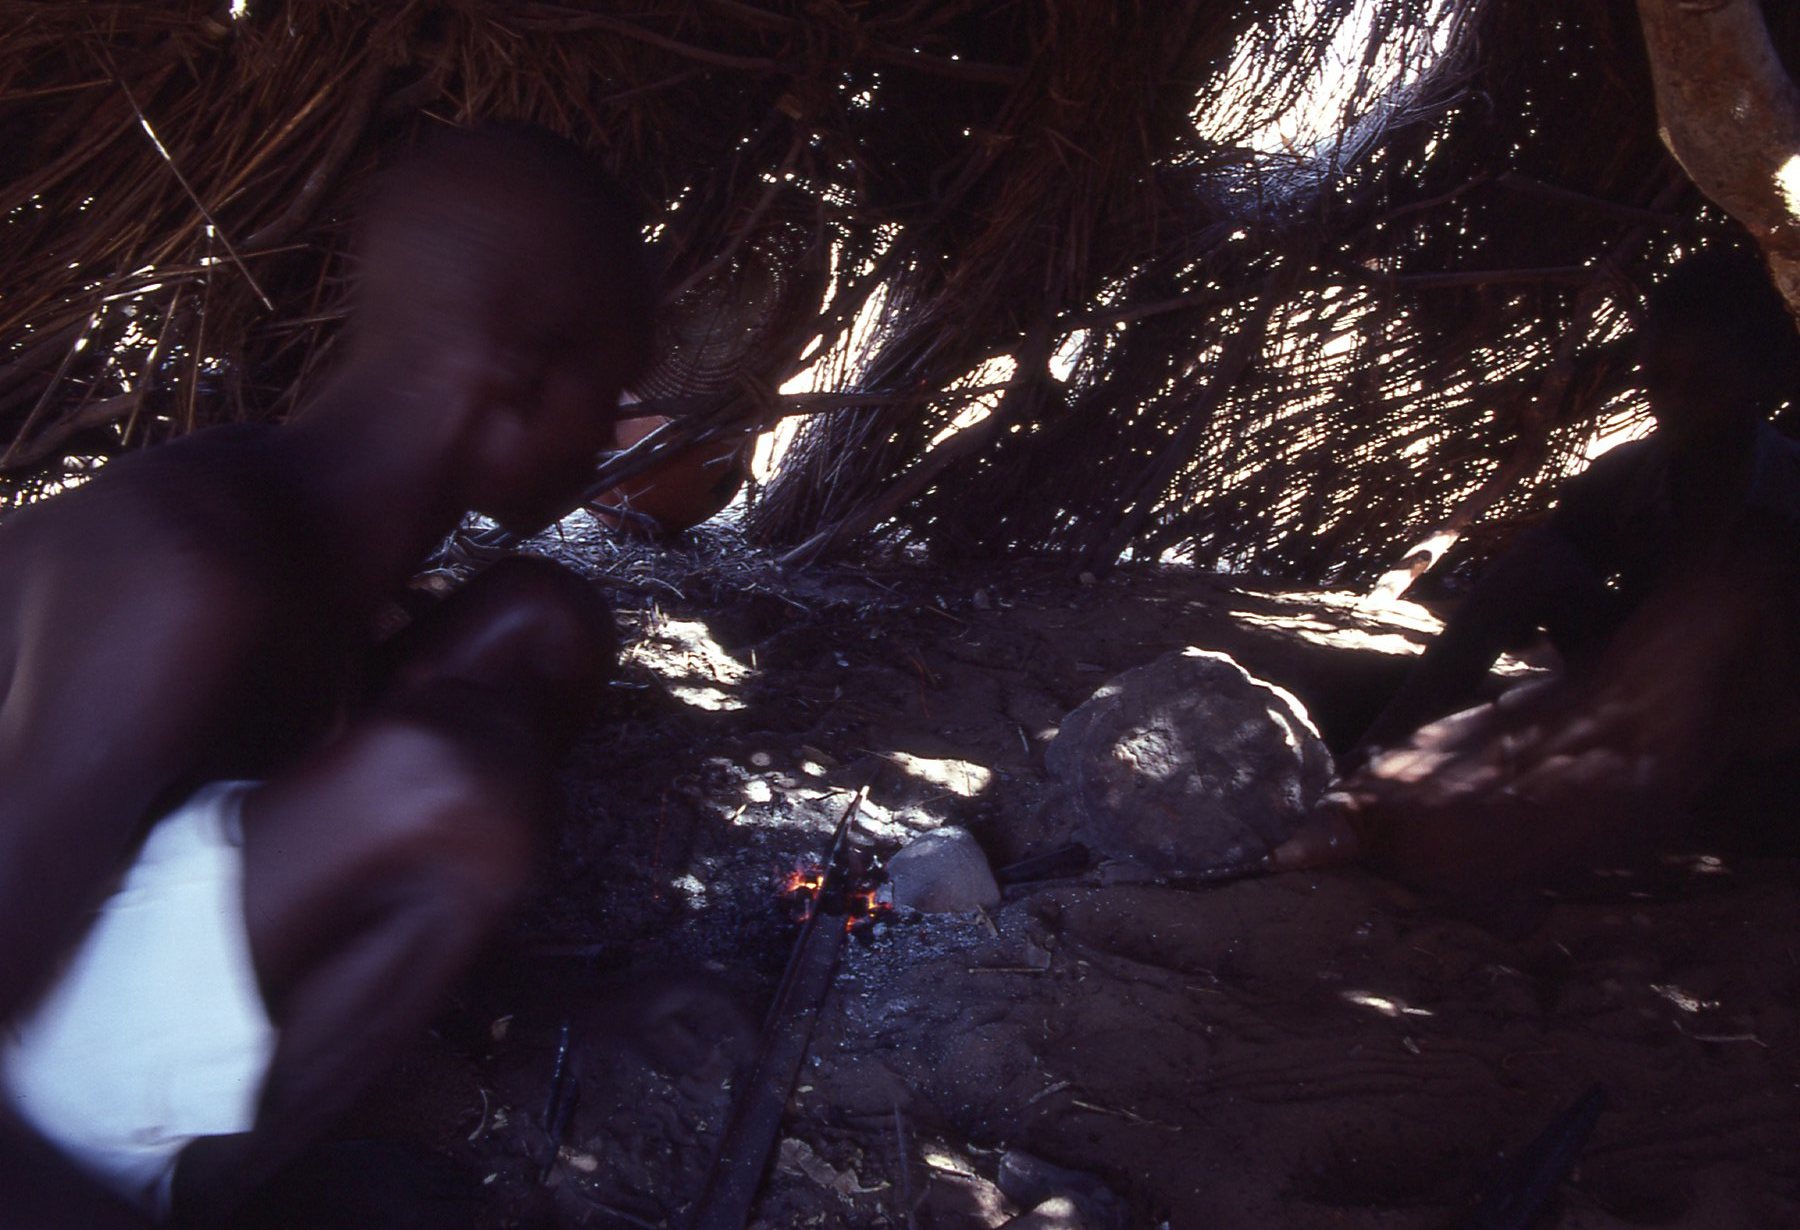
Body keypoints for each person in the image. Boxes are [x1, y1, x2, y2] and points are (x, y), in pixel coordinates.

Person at [0, 125, 654, 1225]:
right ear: (527, 376)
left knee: (544, 626)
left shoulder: (325, 520)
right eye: (616, 389)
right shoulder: (180, 575)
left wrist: (569, 1002)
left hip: (95, 945)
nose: (615, 432)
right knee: (444, 791)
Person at [1277, 247, 1800, 918]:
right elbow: (1529, 588)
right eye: (1661, 380)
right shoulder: (1631, 478)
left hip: (1749, 742)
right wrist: (1401, 735)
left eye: (1703, 384)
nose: (1675, 405)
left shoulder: (1785, 497)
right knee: (1541, 561)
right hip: (1631, 697)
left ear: (1762, 380)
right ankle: (1365, 759)